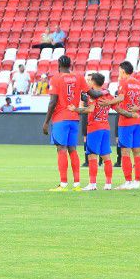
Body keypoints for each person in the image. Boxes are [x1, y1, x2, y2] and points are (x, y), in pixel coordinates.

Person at [41, 55, 100, 191]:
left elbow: (52, 102)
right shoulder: (78, 77)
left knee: (61, 149)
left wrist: (46, 122)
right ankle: (77, 184)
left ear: (59, 65)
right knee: (72, 149)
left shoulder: (56, 78)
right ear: (70, 65)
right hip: (74, 118)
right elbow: (92, 93)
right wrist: (104, 93)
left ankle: (63, 184)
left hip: (60, 119)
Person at [74, 72, 120, 191]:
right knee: (106, 156)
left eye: (89, 80)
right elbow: (117, 107)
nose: (88, 82)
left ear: (94, 82)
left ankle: (92, 184)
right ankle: (108, 184)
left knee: (92, 156)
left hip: (94, 127)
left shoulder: (93, 96)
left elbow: (90, 109)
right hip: (105, 127)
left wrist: (75, 109)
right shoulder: (107, 94)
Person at [113, 60, 140, 189]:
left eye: (119, 71)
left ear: (123, 71)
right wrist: (139, 107)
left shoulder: (124, 82)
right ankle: (137, 182)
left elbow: (121, 98)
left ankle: (128, 181)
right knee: (137, 152)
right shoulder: (138, 83)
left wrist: (109, 102)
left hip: (126, 122)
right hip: (138, 121)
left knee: (125, 152)